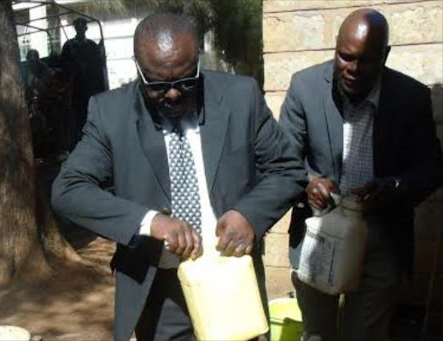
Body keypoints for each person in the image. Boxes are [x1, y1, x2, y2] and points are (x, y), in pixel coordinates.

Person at [52, 12, 306, 341]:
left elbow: (287, 169)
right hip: (160, 290)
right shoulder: (110, 114)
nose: (173, 94)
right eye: (158, 85)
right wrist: (150, 222)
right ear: (138, 67)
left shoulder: (240, 97)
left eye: (185, 81)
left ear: (197, 60)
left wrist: (249, 214)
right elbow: (68, 190)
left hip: (230, 278)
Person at [279, 8, 443, 341]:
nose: (352, 69)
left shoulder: (410, 97)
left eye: (366, 61)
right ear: (336, 48)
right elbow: (282, 159)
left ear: (385, 56)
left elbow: (431, 168)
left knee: (365, 334)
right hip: (320, 233)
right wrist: (308, 183)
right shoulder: (305, 87)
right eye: (345, 57)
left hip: (381, 236)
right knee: (317, 333)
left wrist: (396, 186)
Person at [61, 17, 107, 143]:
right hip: (76, 87)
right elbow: (63, 66)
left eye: (83, 27)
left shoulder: (92, 46)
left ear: (86, 28)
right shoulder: (69, 46)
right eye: (78, 27)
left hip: (91, 86)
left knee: (92, 112)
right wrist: (74, 68)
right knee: (77, 115)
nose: (80, 29)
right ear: (75, 28)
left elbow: (98, 65)